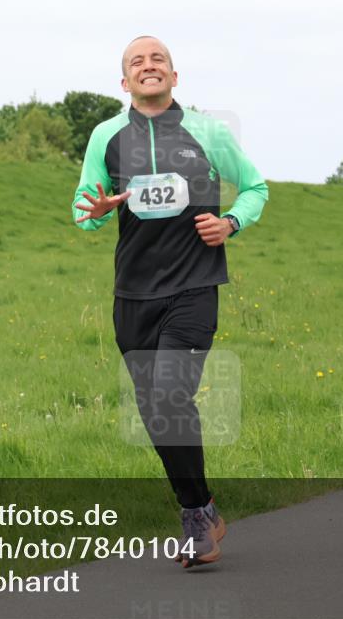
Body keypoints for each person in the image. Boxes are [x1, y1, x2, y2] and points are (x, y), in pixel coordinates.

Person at [70, 36, 268, 568]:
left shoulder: (205, 129)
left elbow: (255, 188)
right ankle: (199, 508)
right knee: (155, 411)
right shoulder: (106, 136)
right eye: (137, 61)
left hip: (193, 287)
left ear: (174, 77)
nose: (148, 66)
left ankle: (194, 520)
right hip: (132, 295)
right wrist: (100, 208)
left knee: (170, 393)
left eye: (158, 59)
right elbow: (82, 210)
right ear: (125, 83)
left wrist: (230, 222)